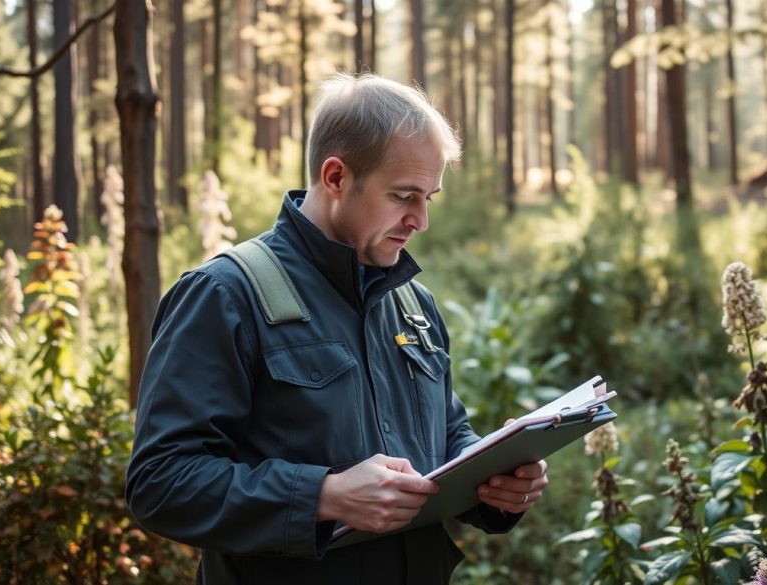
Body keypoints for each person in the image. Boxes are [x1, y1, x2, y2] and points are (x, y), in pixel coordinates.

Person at [126, 72, 549, 584]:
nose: (421, 220)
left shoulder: (412, 302)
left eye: (428, 198)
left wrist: (491, 477)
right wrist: (324, 496)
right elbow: (161, 482)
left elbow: (444, 433)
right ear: (335, 178)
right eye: (403, 196)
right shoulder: (224, 295)